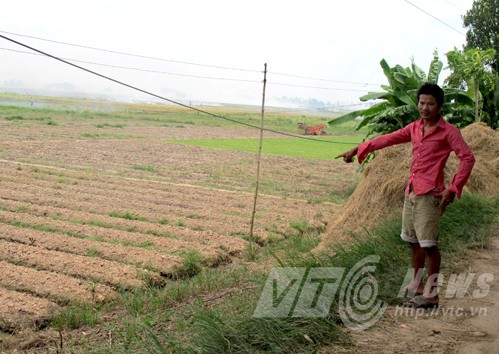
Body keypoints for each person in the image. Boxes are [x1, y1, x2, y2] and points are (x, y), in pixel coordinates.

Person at [336, 82, 475, 309]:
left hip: (430, 194)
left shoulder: (449, 132)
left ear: (439, 105)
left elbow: (467, 158)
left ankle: (431, 295)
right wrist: (359, 148)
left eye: (430, 104)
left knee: (429, 245)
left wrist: (453, 188)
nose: (425, 108)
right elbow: (388, 139)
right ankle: (417, 285)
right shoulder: (415, 128)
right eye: (421, 103)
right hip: (411, 191)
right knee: (413, 242)